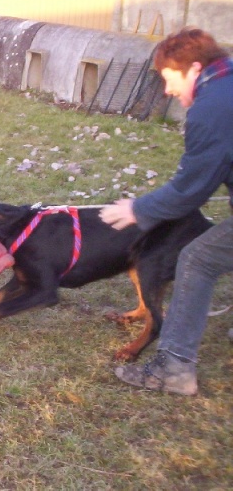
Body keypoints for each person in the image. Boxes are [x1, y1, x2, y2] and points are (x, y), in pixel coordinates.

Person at [100, 28, 233, 395]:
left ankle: (173, 367)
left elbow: (189, 192)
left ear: (193, 68)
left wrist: (137, 208)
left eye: (168, 78)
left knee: (197, 259)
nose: (167, 91)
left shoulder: (213, 107)